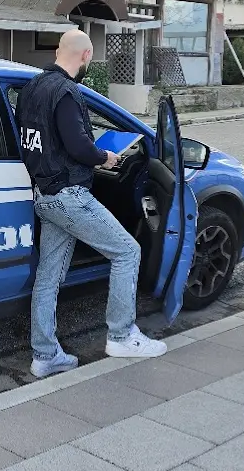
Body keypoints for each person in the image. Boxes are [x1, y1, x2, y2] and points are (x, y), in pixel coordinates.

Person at [15, 29, 168, 378]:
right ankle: (122, 336)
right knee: (127, 252)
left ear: (58, 50)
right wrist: (107, 157)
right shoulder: (67, 92)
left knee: (48, 277)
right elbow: (80, 148)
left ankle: (45, 356)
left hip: (44, 194)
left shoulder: (32, 88)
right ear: (86, 57)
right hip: (70, 196)